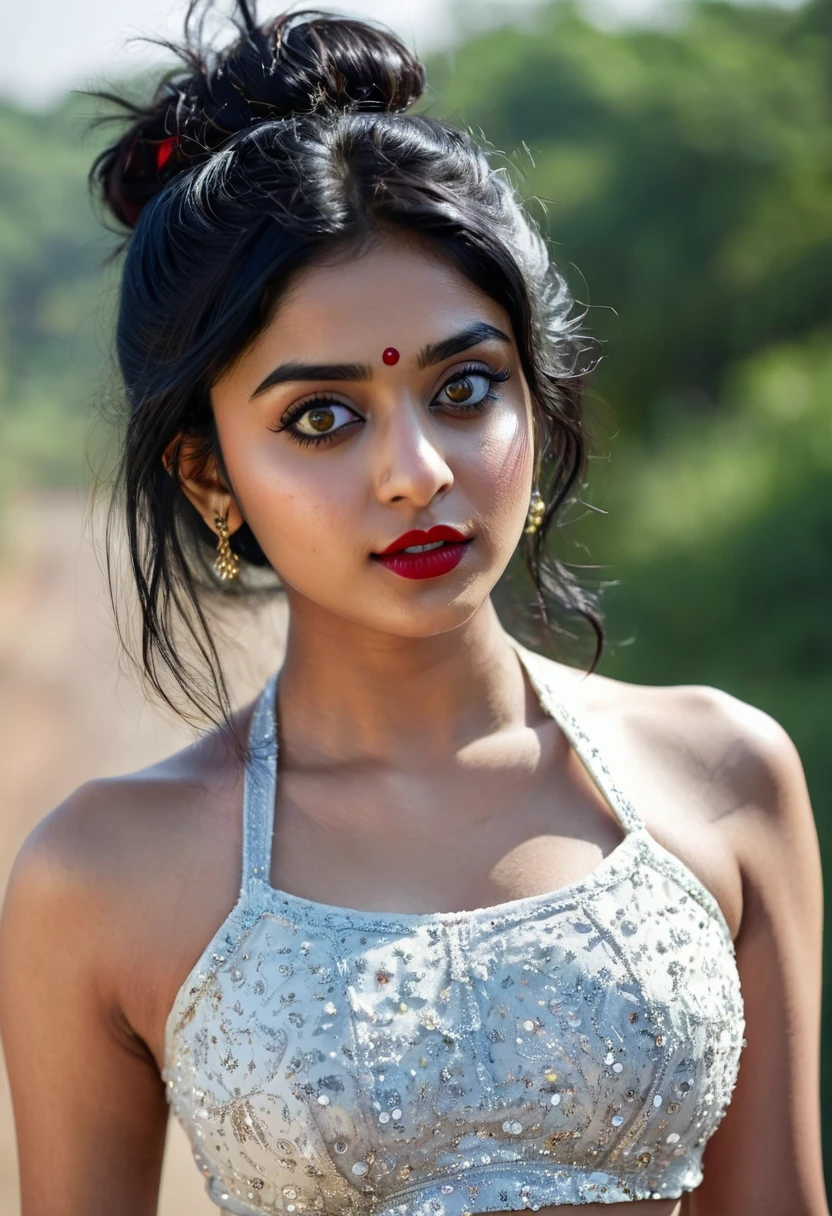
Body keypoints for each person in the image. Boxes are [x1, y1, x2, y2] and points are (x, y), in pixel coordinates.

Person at [0, 4, 827, 1215]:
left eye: (466, 386)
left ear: (535, 403)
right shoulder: (101, 875)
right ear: (208, 473)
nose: (417, 471)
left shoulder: (724, 776)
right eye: (321, 417)